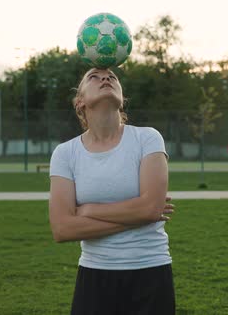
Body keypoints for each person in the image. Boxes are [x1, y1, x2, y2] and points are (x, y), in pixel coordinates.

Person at [49, 68, 176, 314]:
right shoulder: (65, 153)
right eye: (93, 77)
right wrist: (139, 216)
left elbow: (150, 208)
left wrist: (89, 210)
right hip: (95, 276)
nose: (106, 78)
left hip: (150, 272)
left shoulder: (148, 139)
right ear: (80, 101)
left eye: (112, 77)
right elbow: (62, 229)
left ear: (122, 98)